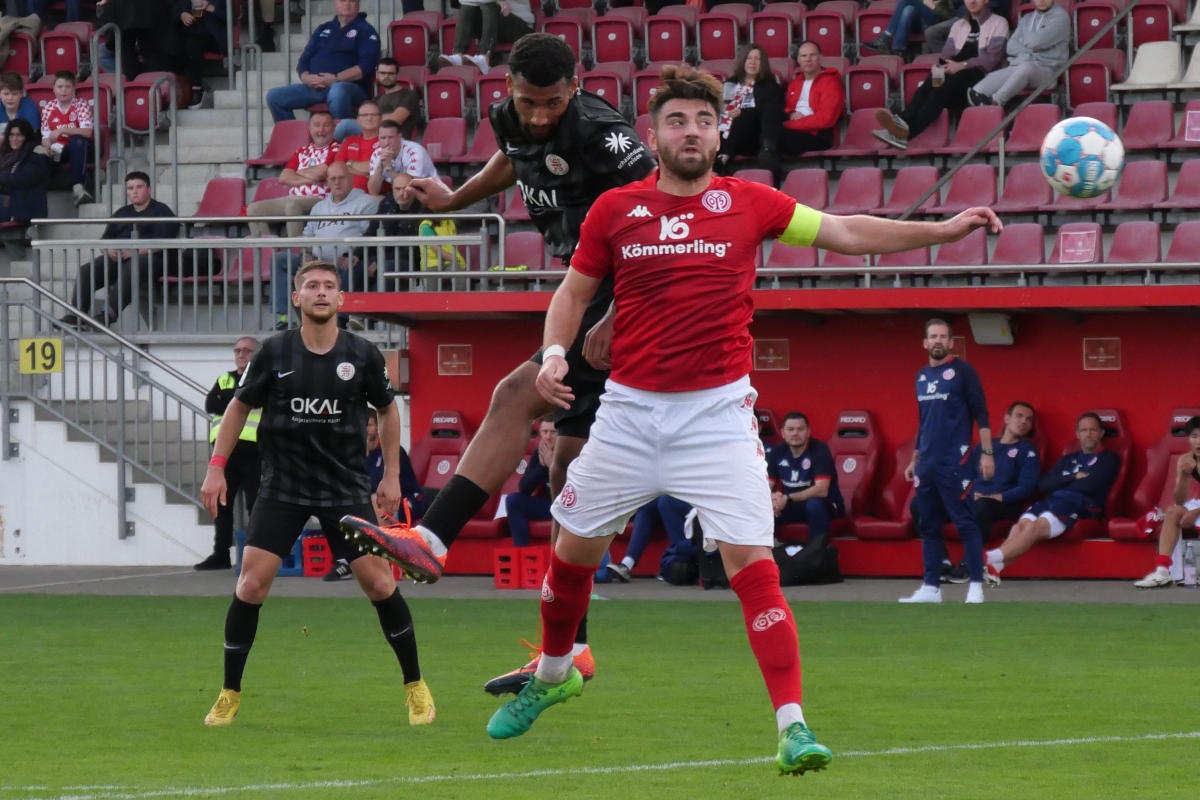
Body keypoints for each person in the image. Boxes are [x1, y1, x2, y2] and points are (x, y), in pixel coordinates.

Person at [452, 64, 999, 774]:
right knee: (570, 555)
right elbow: (571, 292)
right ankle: (555, 676)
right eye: (676, 121)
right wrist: (556, 352)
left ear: (720, 133)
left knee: (754, 569)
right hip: (627, 416)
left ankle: (793, 727)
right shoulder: (615, 210)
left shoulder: (754, 203)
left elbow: (848, 231)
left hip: (717, 420)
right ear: (652, 135)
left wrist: (945, 230)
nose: (690, 132)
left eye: (703, 121)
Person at [340, 32, 657, 694]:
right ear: (508, 90)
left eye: (550, 104)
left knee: (518, 396)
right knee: (567, 476)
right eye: (527, 101)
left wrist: (620, 313)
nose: (539, 116)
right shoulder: (510, 119)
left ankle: (431, 537)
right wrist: (454, 198)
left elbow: (664, 219)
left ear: (574, 89)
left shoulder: (604, 133)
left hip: (632, 291)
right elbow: (515, 160)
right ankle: (570, 656)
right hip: (585, 288)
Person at [199, 260, 435, 728]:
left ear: (341, 299)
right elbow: (238, 407)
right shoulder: (274, 353)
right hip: (283, 486)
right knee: (250, 585)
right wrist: (216, 467)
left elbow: (388, 412)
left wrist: (390, 476)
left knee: (381, 585)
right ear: (297, 298)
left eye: (330, 286)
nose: (321, 292)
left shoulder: (363, 354)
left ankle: (416, 688)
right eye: (312, 286)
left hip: (344, 487)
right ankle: (228, 694)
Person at [897, 318, 994, 605]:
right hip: (927, 463)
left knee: (965, 522)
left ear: (951, 343)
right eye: (933, 336)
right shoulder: (921, 376)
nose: (938, 341)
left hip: (956, 460)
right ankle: (931, 588)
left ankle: (975, 585)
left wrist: (987, 453)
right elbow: (924, 421)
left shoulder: (963, 372)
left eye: (943, 336)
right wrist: (915, 457)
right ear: (925, 343)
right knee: (928, 524)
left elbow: (982, 414)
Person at [984, 412, 1121, 584]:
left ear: (1101, 433)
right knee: (1020, 527)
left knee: (1033, 528)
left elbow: (1090, 485)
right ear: (1077, 434)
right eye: (1084, 430)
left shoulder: (1108, 458)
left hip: (1079, 504)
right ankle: (995, 568)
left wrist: (1062, 482)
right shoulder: (1068, 458)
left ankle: (987, 557)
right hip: (1051, 500)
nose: (1088, 434)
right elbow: (1043, 485)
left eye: (1093, 430)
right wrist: (1073, 476)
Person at [923, 400, 1039, 583]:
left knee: (982, 506)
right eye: (1019, 416)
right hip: (972, 498)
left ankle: (970, 564)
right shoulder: (986, 446)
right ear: (1007, 418)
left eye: (1028, 419)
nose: (1023, 421)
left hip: (1001, 504)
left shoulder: (1027, 451)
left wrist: (994, 497)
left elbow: (1027, 487)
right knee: (923, 504)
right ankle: (941, 562)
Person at [872, 0, 1008, 151]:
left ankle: (905, 134)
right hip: (953, 70)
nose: (972, 1)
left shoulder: (999, 22)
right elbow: (946, 54)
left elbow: (992, 59)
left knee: (941, 89)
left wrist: (961, 65)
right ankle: (900, 124)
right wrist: (940, 67)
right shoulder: (959, 25)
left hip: (979, 74)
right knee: (929, 84)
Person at [59, 171, 180, 329]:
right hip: (121, 258)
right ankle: (77, 315)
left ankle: (108, 315)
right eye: (130, 188)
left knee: (133, 266)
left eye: (139, 187)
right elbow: (105, 240)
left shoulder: (161, 211)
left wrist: (136, 251)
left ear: (149, 189)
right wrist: (109, 251)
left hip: (154, 260)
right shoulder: (122, 213)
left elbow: (165, 241)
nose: (134, 191)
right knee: (86, 271)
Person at [270, 160, 379, 329]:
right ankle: (284, 318)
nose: (337, 182)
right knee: (280, 259)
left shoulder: (366, 203)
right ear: (327, 181)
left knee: (353, 265)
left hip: (347, 261)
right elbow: (308, 237)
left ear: (350, 178)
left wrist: (350, 254)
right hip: (317, 261)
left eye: (341, 178)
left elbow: (369, 236)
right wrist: (307, 256)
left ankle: (340, 320)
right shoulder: (319, 207)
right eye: (333, 178)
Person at [326, 407, 426, 581]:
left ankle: (366, 563)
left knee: (375, 500)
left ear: (379, 427)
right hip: (372, 502)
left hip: (406, 501)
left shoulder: (392, 451)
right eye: (362, 425)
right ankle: (344, 560)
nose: (365, 429)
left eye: (370, 425)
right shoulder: (354, 453)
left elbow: (378, 484)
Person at [195, 337, 261, 571]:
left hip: (255, 450)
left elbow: (252, 401)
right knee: (222, 504)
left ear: (257, 354)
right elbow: (212, 404)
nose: (241, 355)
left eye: (247, 351)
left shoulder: (262, 377)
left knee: (256, 504)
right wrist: (239, 401)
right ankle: (220, 554)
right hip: (225, 453)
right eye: (238, 350)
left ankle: (255, 556)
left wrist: (233, 399)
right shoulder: (224, 378)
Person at [265, 0, 380, 123]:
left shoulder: (366, 30)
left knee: (337, 91)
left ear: (358, 4)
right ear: (335, 3)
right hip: (316, 86)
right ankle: (294, 138)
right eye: (342, 0)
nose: (346, 4)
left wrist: (337, 78)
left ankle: (342, 138)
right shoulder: (323, 28)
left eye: (351, 1)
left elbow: (366, 67)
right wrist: (306, 77)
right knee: (275, 96)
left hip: (349, 87)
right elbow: (304, 60)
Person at [246, 110, 340, 238]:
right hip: (294, 197)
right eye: (317, 125)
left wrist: (299, 173)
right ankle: (267, 254)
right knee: (254, 209)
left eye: (326, 125)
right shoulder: (302, 151)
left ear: (333, 128)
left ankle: (295, 253)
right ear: (310, 128)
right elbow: (284, 177)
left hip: (321, 198)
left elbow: (322, 173)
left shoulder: (337, 148)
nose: (321, 130)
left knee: (292, 206)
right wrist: (312, 178)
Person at [1134, 416, 1200, 589]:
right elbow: (1179, 500)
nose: (1198, 441)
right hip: (1197, 503)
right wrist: (1185, 477)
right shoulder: (1186, 459)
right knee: (1173, 512)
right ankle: (1162, 572)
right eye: (1194, 436)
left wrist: (1196, 512)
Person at [966, 0, 1069, 108]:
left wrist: (1026, 41)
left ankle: (996, 101)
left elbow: (1036, 42)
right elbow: (1011, 47)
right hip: (1020, 65)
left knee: (1026, 68)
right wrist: (1031, 48)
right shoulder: (1027, 18)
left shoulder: (1060, 17)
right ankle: (989, 118)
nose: (1042, 1)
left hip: (1048, 70)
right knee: (978, 91)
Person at [766, 412, 845, 539]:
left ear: (808, 431)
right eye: (790, 429)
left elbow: (821, 490)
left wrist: (786, 498)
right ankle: (768, 553)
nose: (795, 433)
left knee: (815, 504)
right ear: (783, 433)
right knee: (763, 507)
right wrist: (772, 499)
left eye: (800, 429)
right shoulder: (777, 452)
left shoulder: (820, 450)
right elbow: (766, 485)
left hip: (827, 505)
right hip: (792, 504)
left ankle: (816, 554)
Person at [715, 43, 784, 176]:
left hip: (751, 136)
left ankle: (724, 157)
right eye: (749, 58)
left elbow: (771, 113)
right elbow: (718, 108)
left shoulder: (769, 86)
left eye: (757, 59)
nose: (752, 62)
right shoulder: (729, 84)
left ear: (762, 63)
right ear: (743, 61)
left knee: (743, 117)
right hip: (724, 132)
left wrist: (743, 112)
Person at [605, 495, 695, 583]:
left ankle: (678, 561)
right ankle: (626, 565)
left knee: (665, 500)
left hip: (698, 503)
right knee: (647, 506)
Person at [779, 41, 844, 158]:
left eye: (812, 55)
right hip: (793, 132)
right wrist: (791, 113)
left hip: (816, 136)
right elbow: (786, 108)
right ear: (798, 60)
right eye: (803, 56)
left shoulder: (831, 82)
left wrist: (788, 124)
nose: (808, 59)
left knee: (772, 136)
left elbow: (826, 119)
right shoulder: (795, 83)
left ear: (820, 57)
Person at [497, 417, 556, 547]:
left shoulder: (569, 452)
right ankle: (522, 552)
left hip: (569, 507)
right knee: (513, 500)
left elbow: (575, 488)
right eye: (544, 432)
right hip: (549, 507)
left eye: (553, 432)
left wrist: (553, 466)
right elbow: (524, 488)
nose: (548, 437)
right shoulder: (539, 453)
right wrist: (542, 466)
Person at [39, 70, 93, 207]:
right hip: (59, 150)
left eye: (68, 87)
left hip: (81, 148)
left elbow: (87, 132)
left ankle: (78, 188)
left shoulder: (81, 105)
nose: (63, 91)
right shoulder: (48, 108)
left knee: (77, 140)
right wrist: (47, 147)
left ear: (74, 88)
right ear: (54, 88)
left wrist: (62, 129)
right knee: (39, 152)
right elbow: (45, 136)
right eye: (60, 87)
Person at [332, 59, 420, 141]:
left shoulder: (409, 95)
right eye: (383, 73)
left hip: (394, 138)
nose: (386, 76)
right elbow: (361, 118)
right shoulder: (376, 99)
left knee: (345, 125)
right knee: (338, 125)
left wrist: (368, 119)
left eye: (390, 73)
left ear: (397, 75)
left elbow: (396, 119)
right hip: (372, 135)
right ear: (377, 75)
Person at [439, 0, 534, 74]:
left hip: (520, 24)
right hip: (494, 21)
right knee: (467, 7)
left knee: (490, 5)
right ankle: (458, 54)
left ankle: (485, 57)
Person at [174, 0, 228, 109]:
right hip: (187, 32)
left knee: (191, 45)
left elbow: (231, 19)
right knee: (174, 44)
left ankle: (196, 88)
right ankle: (176, 91)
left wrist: (211, 8)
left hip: (212, 36)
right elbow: (172, 9)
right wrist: (182, 15)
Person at [365, 118, 436, 199]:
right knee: (373, 200)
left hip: (426, 193)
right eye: (383, 138)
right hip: (399, 194)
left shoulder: (415, 151)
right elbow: (373, 191)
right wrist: (380, 166)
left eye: (390, 137)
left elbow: (410, 187)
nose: (386, 142)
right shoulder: (376, 154)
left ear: (399, 137)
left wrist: (389, 168)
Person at [0, 118, 52, 224]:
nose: (14, 138)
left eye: (19, 135)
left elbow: (22, 179)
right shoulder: (7, 155)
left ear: (26, 137)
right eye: (11, 135)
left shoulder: (37, 153)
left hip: (24, 206)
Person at [862, 0, 954, 56]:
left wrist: (932, 6)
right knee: (908, 10)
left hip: (933, 23)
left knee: (906, 1)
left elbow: (948, 16)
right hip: (917, 24)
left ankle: (887, 36)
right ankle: (898, 50)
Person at [335, 99, 381, 193]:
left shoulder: (387, 140)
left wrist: (350, 163)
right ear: (358, 121)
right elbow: (338, 168)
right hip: (345, 195)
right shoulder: (349, 140)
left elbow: (378, 167)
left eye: (373, 115)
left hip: (371, 195)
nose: (369, 118)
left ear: (381, 118)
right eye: (364, 115)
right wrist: (364, 173)